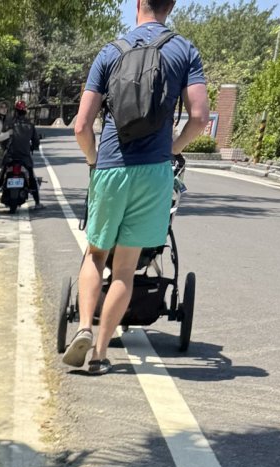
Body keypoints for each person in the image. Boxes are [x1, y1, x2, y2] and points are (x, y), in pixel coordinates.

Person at [64, 0, 209, 374]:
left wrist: (94, 160)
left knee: (96, 254)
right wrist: (170, 150)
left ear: (139, 3)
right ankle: (99, 354)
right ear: (171, 5)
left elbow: (81, 126)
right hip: (154, 172)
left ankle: (84, 327)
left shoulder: (110, 52)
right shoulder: (184, 51)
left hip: (111, 166)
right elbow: (199, 117)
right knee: (126, 269)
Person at [3, 100, 41, 207]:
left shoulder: (10, 124)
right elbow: (36, 141)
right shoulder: (30, 125)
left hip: (10, 156)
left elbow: (3, 139)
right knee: (32, 178)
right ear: (25, 112)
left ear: (15, 111)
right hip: (25, 157)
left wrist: (5, 147)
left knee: (0, 177)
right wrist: (33, 147)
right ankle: (37, 202)